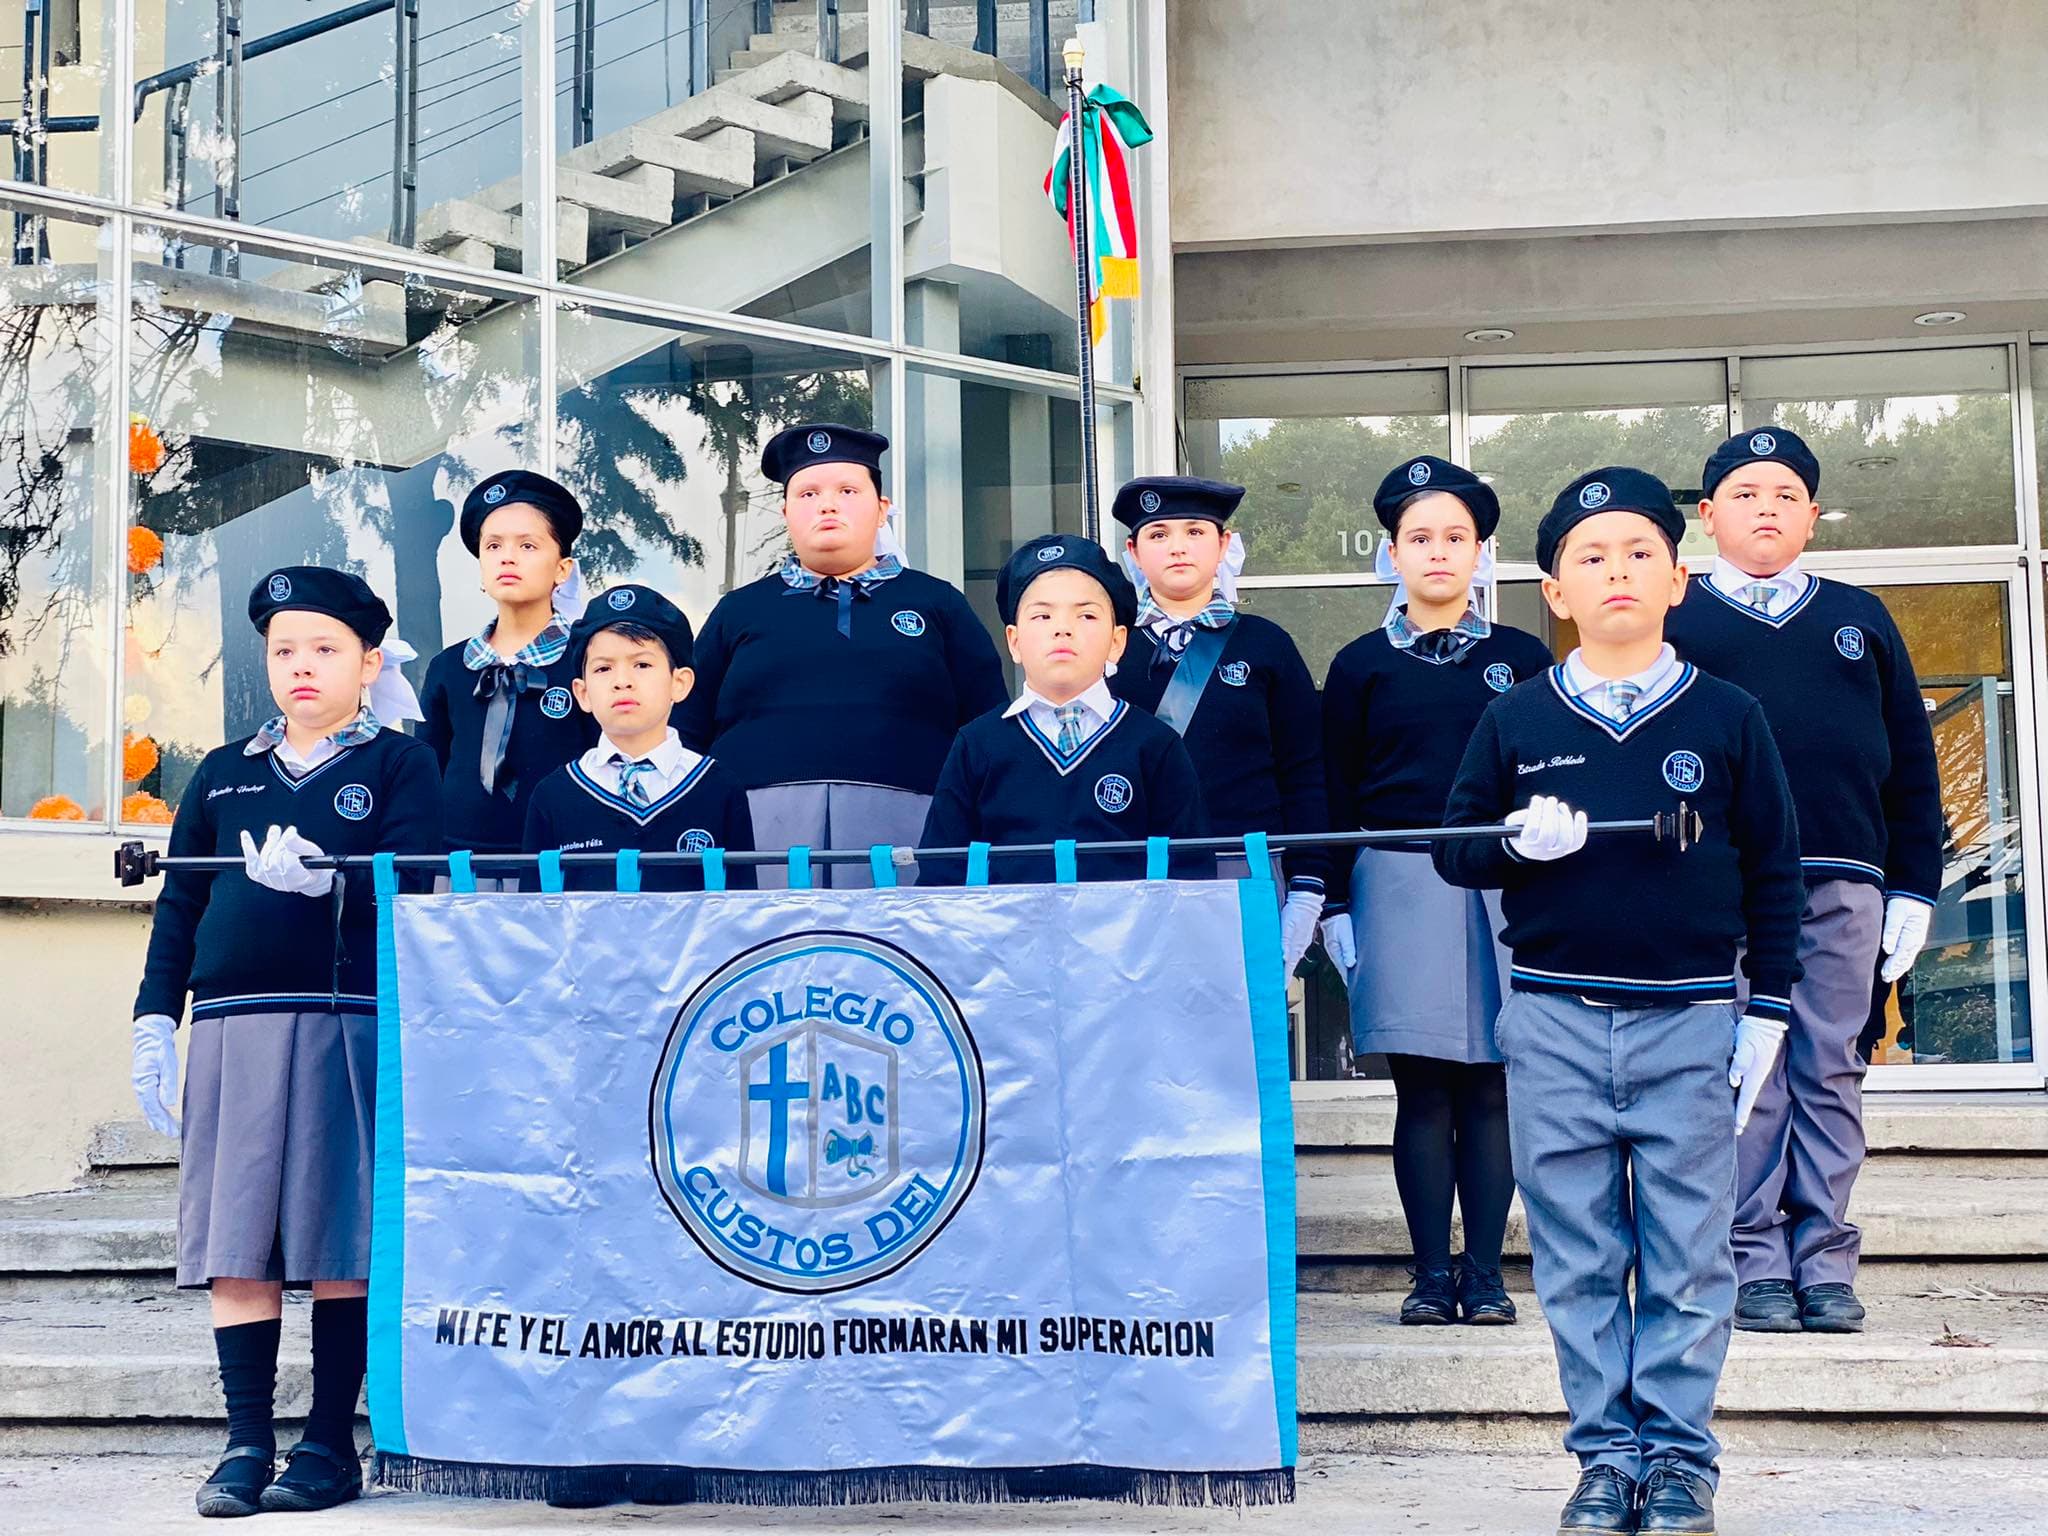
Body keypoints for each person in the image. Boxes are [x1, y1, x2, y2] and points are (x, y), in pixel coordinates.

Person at [1435, 468, 1803, 1536]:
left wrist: (1768, 1012)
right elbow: (1453, 848)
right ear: (1554, 591)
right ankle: (1604, 1459)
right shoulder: (1515, 716)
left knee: (1688, 1256)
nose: (1617, 571)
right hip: (1553, 1020)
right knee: (1578, 1259)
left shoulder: (1728, 716)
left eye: (1640, 552)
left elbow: (1773, 869)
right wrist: (1512, 842)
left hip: (1690, 1021)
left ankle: (1680, 1464)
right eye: (1589, 558)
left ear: (1678, 579)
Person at [129, 567, 441, 1517]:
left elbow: (419, 885)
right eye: (284, 650)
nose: (302, 666)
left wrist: (334, 883)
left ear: (369, 663)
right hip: (234, 1026)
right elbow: (182, 900)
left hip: (348, 1020)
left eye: (326, 649)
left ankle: (329, 1444)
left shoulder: (399, 765)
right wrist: (155, 1015)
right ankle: (246, 1440)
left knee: (340, 1236)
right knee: (239, 1243)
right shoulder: (222, 771)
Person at [1666, 427, 1942, 1336]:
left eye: (1786, 494)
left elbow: (1911, 761)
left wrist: (1915, 884)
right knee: (1746, 1070)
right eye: (1746, 494)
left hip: (1842, 880)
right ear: (1709, 516)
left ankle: (1824, 1261)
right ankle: (1753, 1260)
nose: (1767, 508)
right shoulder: (1679, 618)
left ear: (1814, 517)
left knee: (1829, 1066)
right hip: (1724, 883)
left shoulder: (1860, 618)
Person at [1320, 455, 1555, 1328]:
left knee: (1493, 1084)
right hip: (1397, 877)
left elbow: (1548, 773)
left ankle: (1485, 1275)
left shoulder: (1523, 658)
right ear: (1392, 553)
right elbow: (1333, 792)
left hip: (1503, 879)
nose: (1439, 552)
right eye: (1419, 538)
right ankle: (1428, 1276)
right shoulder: (1359, 666)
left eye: (1457, 537)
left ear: (1482, 552)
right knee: (1420, 1089)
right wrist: (1331, 902)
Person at [677, 423, 1007, 884]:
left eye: (848, 491)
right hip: (755, 836)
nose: (827, 505)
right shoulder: (738, 611)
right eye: (808, 494)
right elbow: (685, 732)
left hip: (913, 832)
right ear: (786, 512)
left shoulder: (938, 604)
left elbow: (988, 729)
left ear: (882, 509)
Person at [1107, 474, 1326, 973]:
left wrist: (1308, 886)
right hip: (1131, 871)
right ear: (1133, 552)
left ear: (1224, 544)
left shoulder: (1266, 644)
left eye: (1195, 532)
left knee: (1243, 1019)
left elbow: (1305, 771)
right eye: (1158, 534)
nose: (1178, 547)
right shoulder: (1106, 646)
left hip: (1245, 866)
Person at [919, 533, 1208, 885]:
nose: (1062, 629)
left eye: (1086, 615)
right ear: (1014, 641)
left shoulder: (1154, 745)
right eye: (1042, 616)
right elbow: (940, 875)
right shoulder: (977, 744)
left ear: (1117, 642)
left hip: (1123, 923)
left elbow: (1190, 876)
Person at [522, 584, 756, 892]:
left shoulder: (719, 789)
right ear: (582, 692)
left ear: (680, 683)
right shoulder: (553, 795)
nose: (622, 681)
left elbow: (742, 907)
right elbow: (533, 910)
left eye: (642, 665)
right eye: (603, 668)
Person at [419, 471, 597, 876]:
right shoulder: (449, 667)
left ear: (562, 569)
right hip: (458, 866)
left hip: (562, 862)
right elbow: (428, 773)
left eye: (528, 545)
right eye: (493, 545)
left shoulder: (588, 659)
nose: (507, 557)